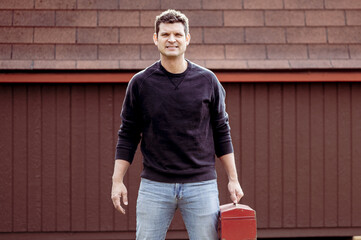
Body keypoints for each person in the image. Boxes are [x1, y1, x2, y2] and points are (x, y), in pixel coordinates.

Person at [111, 9, 244, 240]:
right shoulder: (140, 83)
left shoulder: (207, 81)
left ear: (187, 39)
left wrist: (233, 179)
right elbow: (128, 135)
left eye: (177, 34)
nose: (171, 39)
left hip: (201, 185)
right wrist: (117, 181)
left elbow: (222, 131)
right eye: (165, 34)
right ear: (155, 38)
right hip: (154, 185)